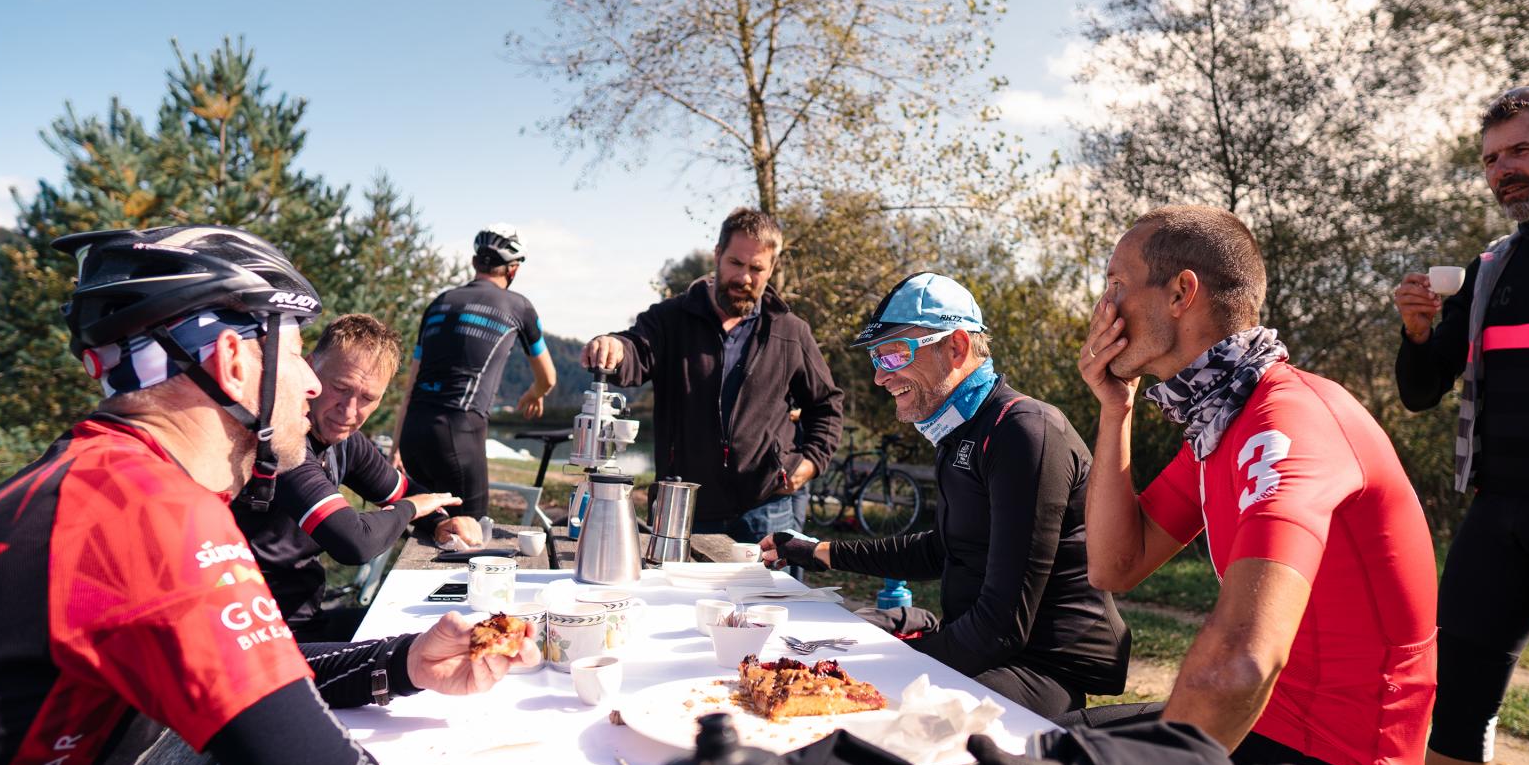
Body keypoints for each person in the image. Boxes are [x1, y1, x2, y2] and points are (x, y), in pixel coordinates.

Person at [0, 226, 536, 765]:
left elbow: (256, 671)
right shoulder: (150, 513)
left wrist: (406, 661)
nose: (308, 383)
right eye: (296, 352)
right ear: (235, 361)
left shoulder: (81, 480)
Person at [1080, 205, 1437, 765]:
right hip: (1261, 724)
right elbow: (1116, 564)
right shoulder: (1224, 418)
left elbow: (1241, 663)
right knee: (1037, 750)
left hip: (1321, 764)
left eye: (1116, 284)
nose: (1103, 310)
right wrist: (1116, 410)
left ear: (1181, 293)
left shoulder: (1284, 423)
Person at [761, 274, 1130, 718]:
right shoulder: (960, 432)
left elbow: (1002, 627)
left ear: (955, 348)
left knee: (865, 709)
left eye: (894, 353)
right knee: (823, 649)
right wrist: (817, 551)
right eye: (877, 358)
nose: (880, 376)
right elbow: (945, 547)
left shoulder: (1023, 432)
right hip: (987, 651)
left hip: (1038, 671)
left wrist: (890, 671)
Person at [1392, 84, 1529, 765]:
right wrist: (1416, 330)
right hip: (1499, 509)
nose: (1505, 171)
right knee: (1459, 692)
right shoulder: (1490, 266)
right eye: (1493, 159)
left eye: (1521, 150)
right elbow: (1421, 390)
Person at [581, 209, 843, 540]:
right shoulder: (669, 319)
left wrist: (812, 462)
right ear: (718, 255)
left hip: (766, 510)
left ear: (771, 269)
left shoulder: (791, 332)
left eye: (756, 268)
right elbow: (636, 351)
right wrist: (615, 347)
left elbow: (827, 403)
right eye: (735, 263)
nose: (744, 278)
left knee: (773, 595)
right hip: (683, 505)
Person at [236, 313, 484, 640]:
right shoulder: (281, 439)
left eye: (368, 398)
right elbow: (354, 541)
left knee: (454, 634)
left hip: (304, 619)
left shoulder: (345, 440)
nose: (350, 412)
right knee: (432, 644)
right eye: (340, 388)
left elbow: (400, 489)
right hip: (255, 634)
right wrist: (412, 509)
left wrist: (439, 521)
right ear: (309, 368)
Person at [391, 223, 556, 519]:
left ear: (474, 262)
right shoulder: (519, 307)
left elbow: (411, 385)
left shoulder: (439, 303)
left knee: (429, 534)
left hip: (413, 432)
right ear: (513, 269)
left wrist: (396, 447)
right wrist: (536, 392)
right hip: (459, 432)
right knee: (469, 536)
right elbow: (548, 377)